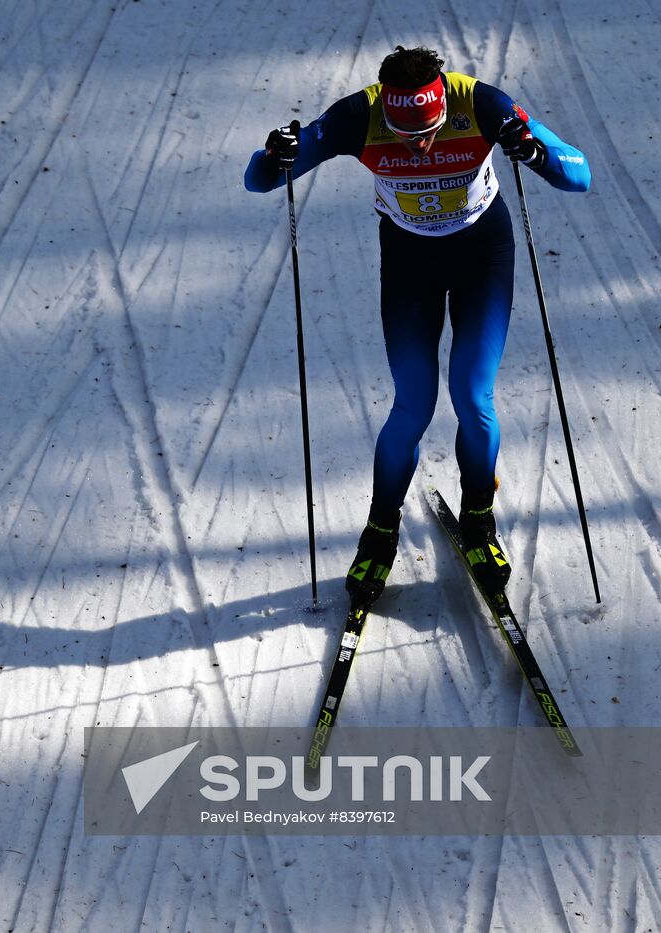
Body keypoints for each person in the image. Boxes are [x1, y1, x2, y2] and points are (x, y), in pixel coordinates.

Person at [245, 46, 590, 605]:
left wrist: (534, 153)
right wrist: (273, 153)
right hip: (410, 266)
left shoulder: (482, 105)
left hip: (482, 256)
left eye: (428, 130)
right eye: (406, 135)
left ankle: (479, 521)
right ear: (387, 110)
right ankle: (380, 533)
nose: (420, 144)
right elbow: (260, 181)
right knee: (413, 405)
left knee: (473, 397)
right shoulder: (359, 116)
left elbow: (580, 175)